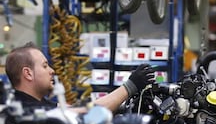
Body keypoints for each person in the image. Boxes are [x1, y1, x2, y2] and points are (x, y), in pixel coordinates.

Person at [5, 41, 154, 113]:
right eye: (44, 66)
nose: (52, 71)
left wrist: (122, 107)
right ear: (28, 73)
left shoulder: (40, 104)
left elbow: (82, 108)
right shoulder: (24, 111)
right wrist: (130, 86)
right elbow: (89, 112)